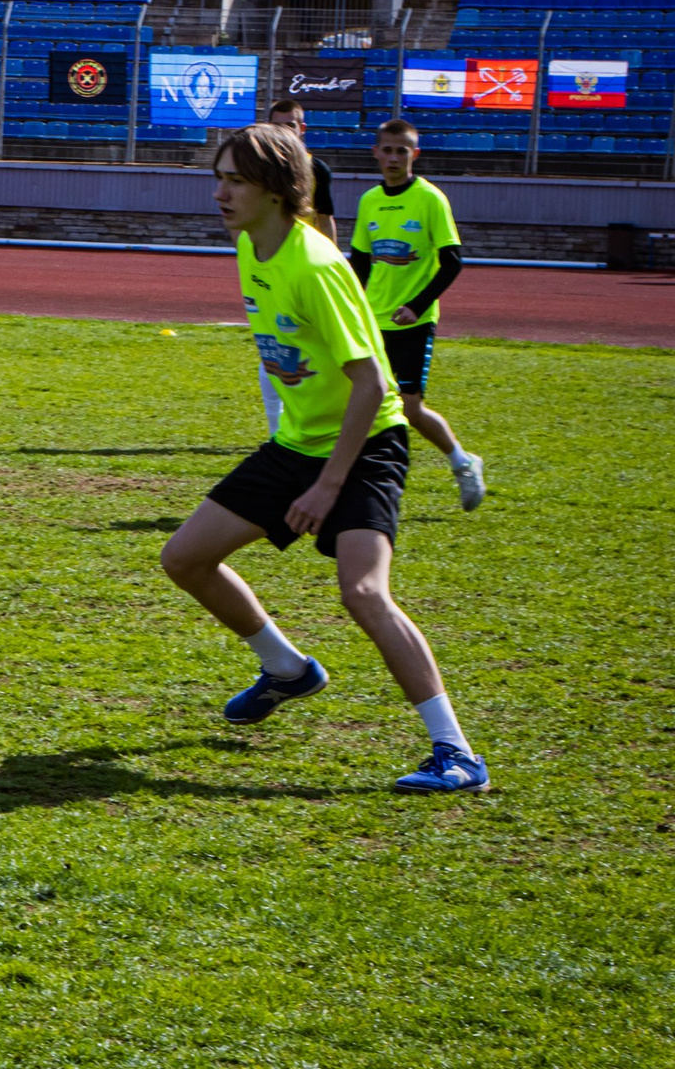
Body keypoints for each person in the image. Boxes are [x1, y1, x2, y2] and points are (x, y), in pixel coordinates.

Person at [158, 122, 487, 795]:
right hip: (297, 443)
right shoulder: (250, 243)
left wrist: (328, 486)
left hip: (366, 446)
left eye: (235, 182)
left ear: (277, 192)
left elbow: (371, 384)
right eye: (218, 178)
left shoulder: (316, 266)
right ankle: (286, 668)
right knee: (184, 558)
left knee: (363, 592)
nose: (219, 193)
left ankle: (457, 753)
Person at [352, 120, 485, 512]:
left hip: (413, 324)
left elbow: (452, 262)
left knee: (409, 408)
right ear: (375, 152)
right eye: (387, 150)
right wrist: (350, 308)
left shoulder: (430, 199)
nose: (394, 158)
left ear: (415, 154)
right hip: (371, 322)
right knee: (361, 400)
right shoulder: (369, 200)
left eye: (402, 151)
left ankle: (462, 462)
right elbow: (359, 263)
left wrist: (417, 306)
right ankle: (361, 479)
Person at [258, 100, 337, 433]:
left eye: (290, 126)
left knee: (317, 347)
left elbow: (325, 219)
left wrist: (332, 263)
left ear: (301, 130)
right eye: (277, 126)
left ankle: (322, 419)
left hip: (308, 271)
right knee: (272, 347)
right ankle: (277, 431)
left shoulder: (316, 170)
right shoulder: (260, 172)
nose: (284, 133)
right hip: (275, 271)